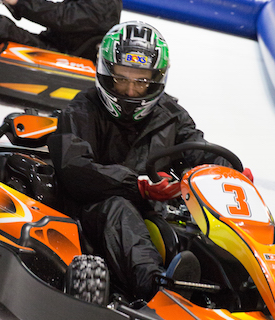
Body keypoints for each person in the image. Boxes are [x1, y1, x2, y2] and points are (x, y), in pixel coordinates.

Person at [49, 20, 247, 303]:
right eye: (121, 78)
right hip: (93, 208)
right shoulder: (82, 109)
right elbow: (73, 168)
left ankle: (262, 293)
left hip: (155, 211)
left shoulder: (172, 115)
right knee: (119, 210)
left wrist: (229, 173)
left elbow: (199, 150)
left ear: (156, 80)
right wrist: (138, 186)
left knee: (202, 226)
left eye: (141, 81)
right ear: (106, 72)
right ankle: (157, 291)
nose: (130, 91)